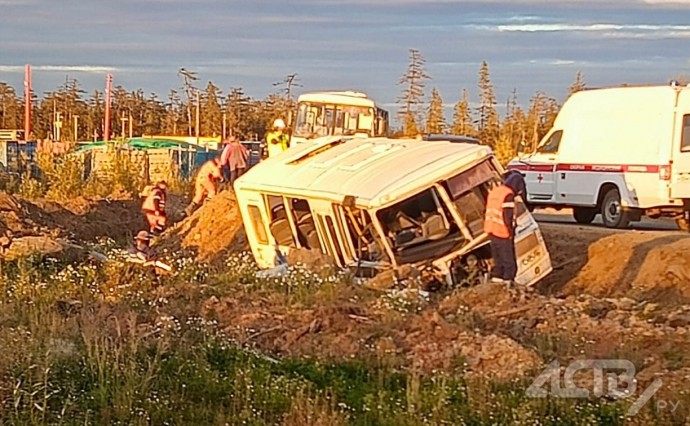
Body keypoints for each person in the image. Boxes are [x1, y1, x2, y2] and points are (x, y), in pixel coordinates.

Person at [483, 172, 526, 286]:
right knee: (509, 261)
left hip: (491, 229)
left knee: (498, 258)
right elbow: (507, 216)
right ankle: (508, 283)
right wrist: (510, 232)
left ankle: (497, 279)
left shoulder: (494, 192)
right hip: (502, 231)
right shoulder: (508, 195)